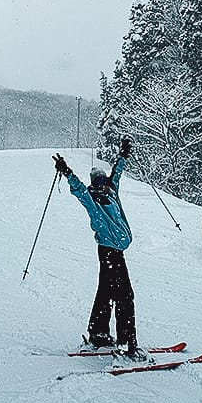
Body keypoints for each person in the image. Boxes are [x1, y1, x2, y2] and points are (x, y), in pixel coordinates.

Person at [52, 137, 145, 361]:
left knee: (106, 292)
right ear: (93, 183)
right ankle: (126, 345)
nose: (102, 182)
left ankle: (99, 334)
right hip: (109, 251)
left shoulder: (112, 191)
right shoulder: (92, 198)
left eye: (103, 179)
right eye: (98, 180)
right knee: (124, 296)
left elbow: (117, 173)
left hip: (115, 251)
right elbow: (78, 189)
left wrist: (124, 154)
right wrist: (67, 172)